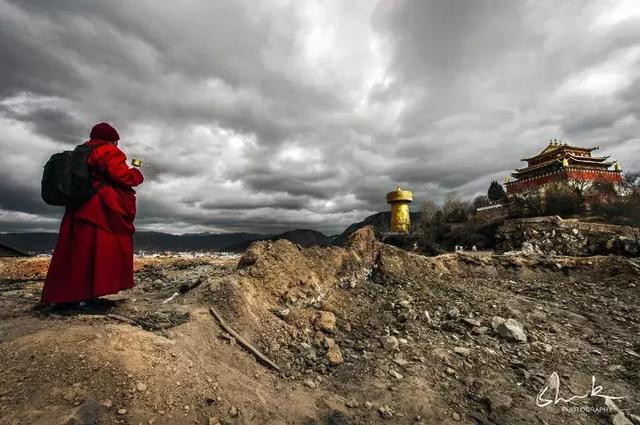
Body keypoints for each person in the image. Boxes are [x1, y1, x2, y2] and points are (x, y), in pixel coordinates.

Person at [41, 123, 144, 305]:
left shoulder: (82, 151)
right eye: (116, 141)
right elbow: (122, 176)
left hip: (79, 206)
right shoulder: (107, 151)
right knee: (99, 250)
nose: (117, 144)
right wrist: (136, 173)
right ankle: (90, 294)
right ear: (113, 139)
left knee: (75, 252)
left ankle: (67, 295)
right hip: (100, 209)